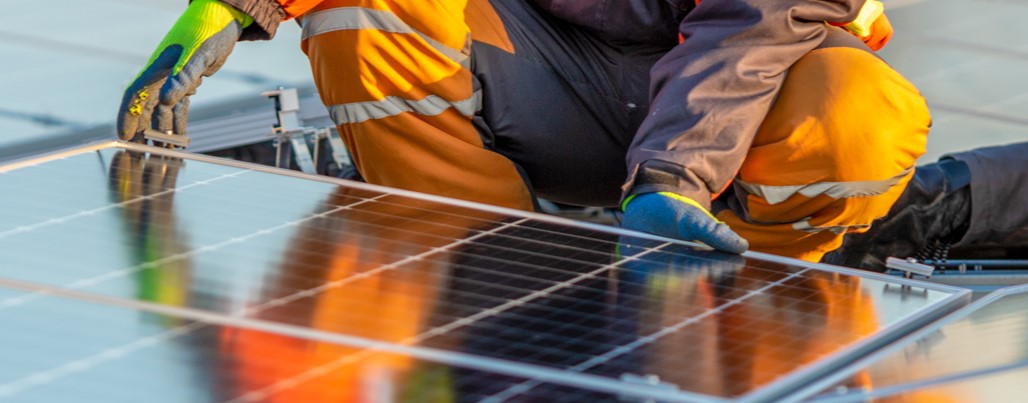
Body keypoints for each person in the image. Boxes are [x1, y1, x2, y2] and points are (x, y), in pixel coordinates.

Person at [117, 0, 1028, 266]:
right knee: (366, 15)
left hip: (748, 95)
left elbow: (744, 35)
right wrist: (229, 10)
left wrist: (670, 179)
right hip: (552, 72)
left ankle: (741, 277)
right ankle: (488, 267)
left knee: (856, 118)